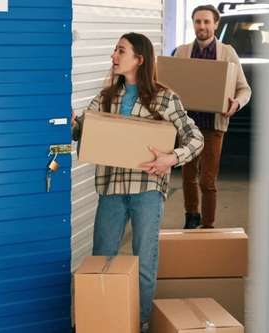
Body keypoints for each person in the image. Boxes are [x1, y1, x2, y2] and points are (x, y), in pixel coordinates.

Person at [71, 32, 204, 332]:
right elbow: (83, 130)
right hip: (111, 191)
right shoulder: (106, 97)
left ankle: (140, 322)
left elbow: (196, 139)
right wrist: (72, 122)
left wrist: (172, 158)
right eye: (115, 50)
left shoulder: (166, 98)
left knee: (144, 262)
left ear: (139, 59)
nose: (113, 56)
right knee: (102, 259)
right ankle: (103, 320)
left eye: (121, 51)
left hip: (146, 191)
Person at [174, 5, 252, 229]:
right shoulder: (182, 52)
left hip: (213, 127)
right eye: (198, 22)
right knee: (188, 177)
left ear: (216, 24)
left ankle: (208, 225)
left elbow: (244, 89)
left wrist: (236, 103)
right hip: (188, 127)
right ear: (193, 23)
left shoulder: (227, 53)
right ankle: (192, 215)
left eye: (207, 22)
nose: (202, 26)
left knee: (207, 182)